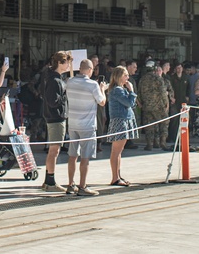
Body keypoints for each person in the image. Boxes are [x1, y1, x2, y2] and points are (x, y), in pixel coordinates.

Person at [65, 59, 107, 196]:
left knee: (72, 155)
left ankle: (71, 184)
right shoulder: (93, 84)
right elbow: (102, 102)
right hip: (87, 126)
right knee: (85, 157)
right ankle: (82, 186)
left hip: (73, 123)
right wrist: (102, 90)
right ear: (90, 70)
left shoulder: (69, 82)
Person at [40, 51, 71, 192]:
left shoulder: (55, 78)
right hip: (56, 118)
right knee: (54, 150)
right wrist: (65, 95)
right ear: (60, 63)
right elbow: (53, 101)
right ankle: (51, 181)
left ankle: (48, 180)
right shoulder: (55, 80)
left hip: (55, 117)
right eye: (67, 62)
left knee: (54, 150)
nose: (69, 65)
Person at [104, 65, 138, 186]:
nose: (128, 77)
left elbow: (132, 104)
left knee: (119, 151)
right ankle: (115, 177)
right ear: (119, 76)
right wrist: (132, 90)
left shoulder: (120, 89)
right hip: (120, 120)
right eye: (125, 75)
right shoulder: (117, 89)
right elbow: (128, 103)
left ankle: (118, 175)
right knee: (116, 151)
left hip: (125, 119)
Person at [137, 61, 168, 150]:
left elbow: (139, 93)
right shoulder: (158, 79)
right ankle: (163, 142)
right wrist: (166, 103)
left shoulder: (142, 79)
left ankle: (149, 144)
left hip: (147, 106)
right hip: (159, 106)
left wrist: (141, 104)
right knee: (164, 124)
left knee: (148, 126)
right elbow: (163, 92)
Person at [166, 62, 188, 148]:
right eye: (177, 68)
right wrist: (171, 97)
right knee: (174, 119)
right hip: (174, 101)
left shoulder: (186, 78)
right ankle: (172, 136)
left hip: (183, 101)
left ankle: (181, 137)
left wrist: (187, 96)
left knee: (182, 119)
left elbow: (189, 88)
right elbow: (170, 88)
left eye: (180, 68)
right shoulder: (172, 78)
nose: (179, 70)